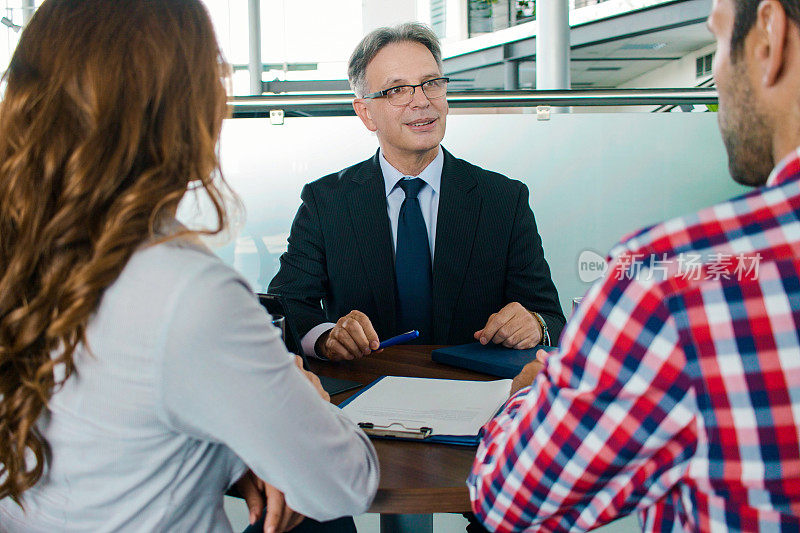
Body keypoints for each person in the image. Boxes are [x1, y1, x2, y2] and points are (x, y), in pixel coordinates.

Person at [0, 1, 378, 532]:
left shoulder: (22, 250)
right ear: (185, 109)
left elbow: (107, 433)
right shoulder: (187, 291)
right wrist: (306, 400)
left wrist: (227, 456)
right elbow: (346, 481)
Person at [467, 0, 800, 530]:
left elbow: (510, 501)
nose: (715, 78)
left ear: (768, 36)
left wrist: (530, 391)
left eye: (716, 41)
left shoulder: (670, 286)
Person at [269, 23, 565, 362]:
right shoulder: (326, 202)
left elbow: (550, 317)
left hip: (475, 393)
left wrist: (534, 324)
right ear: (366, 112)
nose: (422, 101)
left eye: (431, 84)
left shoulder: (503, 199)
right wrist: (326, 339)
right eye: (397, 91)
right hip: (362, 390)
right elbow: (288, 304)